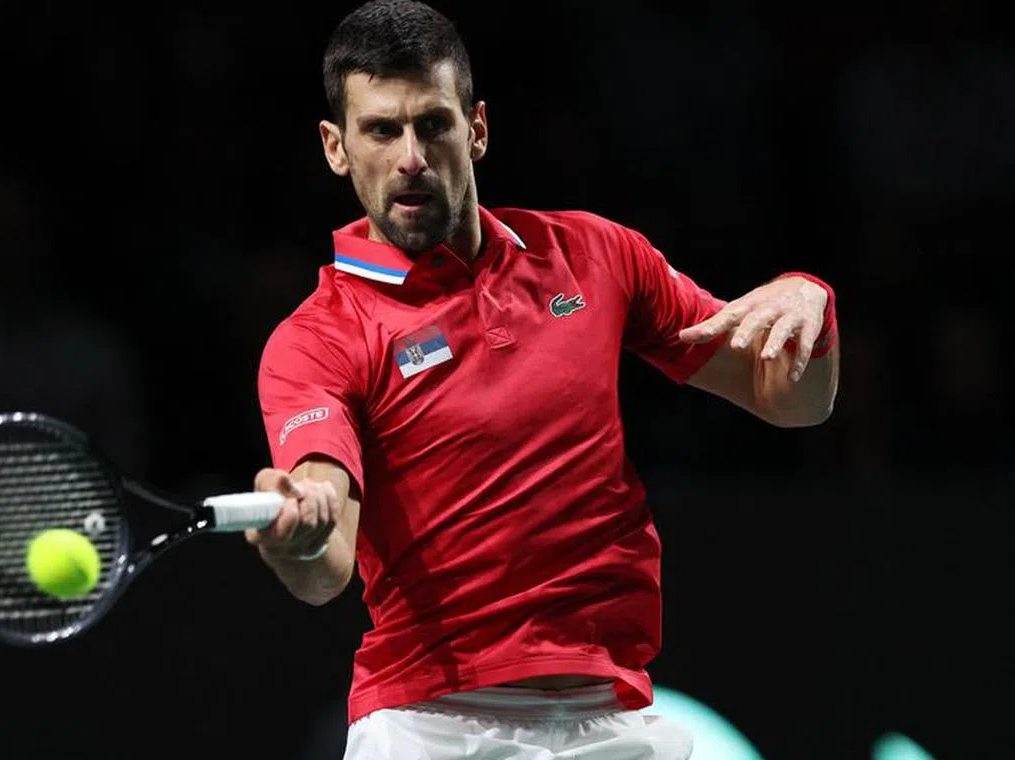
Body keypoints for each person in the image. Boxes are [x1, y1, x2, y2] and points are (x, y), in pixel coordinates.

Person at [244, 2, 840, 758]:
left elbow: (791, 403)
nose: (411, 157)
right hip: (433, 725)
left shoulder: (595, 256)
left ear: (478, 129)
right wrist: (298, 536)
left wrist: (808, 297)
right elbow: (325, 566)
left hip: (611, 716)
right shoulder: (318, 339)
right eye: (381, 130)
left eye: (433, 124)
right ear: (336, 147)